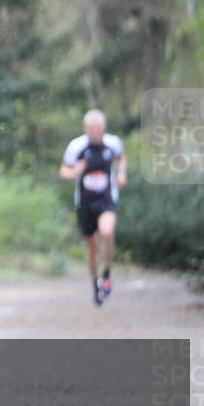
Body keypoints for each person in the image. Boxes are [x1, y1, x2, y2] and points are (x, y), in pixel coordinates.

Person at [59, 109, 127, 306]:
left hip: (106, 198)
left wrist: (122, 173)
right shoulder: (76, 146)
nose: (96, 132)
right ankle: (95, 285)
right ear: (85, 129)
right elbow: (63, 170)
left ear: (104, 128)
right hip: (84, 202)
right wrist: (73, 173)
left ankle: (107, 273)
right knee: (91, 247)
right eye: (92, 129)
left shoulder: (113, 143)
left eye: (99, 128)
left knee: (106, 231)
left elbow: (121, 157)